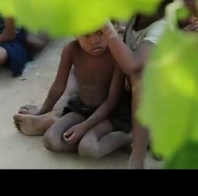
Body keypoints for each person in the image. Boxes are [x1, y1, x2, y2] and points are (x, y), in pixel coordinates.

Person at [101, 0, 175, 169]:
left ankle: (138, 154)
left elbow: (133, 65)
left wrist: (105, 26)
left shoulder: (162, 26)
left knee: (141, 79)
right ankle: (142, 136)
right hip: (133, 93)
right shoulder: (137, 16)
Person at [33, 29, 132, 158]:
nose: (94, 41)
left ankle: (129, 137)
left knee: (88, 148)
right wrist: (41, 111)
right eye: (85, 35)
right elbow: (58, 86)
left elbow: (112, 99)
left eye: (100, 33)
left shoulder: (116, 53)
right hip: (82, 108)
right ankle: (97, 140)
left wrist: (84, 126)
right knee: (51, 140)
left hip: (111, 113)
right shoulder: (71, 50)